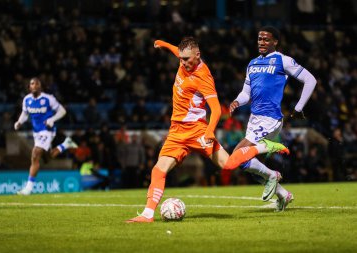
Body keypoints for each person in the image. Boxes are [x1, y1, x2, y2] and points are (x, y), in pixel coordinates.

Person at [126, 37, 287, 223]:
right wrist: (163, 44)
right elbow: (177, 51)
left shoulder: (203, 77)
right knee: (158, 170)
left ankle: (265, 147)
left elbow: (217, 108)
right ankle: (147, 215)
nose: (183, 63)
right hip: (177, 132)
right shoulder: (184, 59)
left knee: (228, 165)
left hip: (197, 131)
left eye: (186, 59)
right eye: (181, 59)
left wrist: (210, 130)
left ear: (198, 55)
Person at [228, 26, 317, 211]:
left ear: (275, 41)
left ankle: (272, 154)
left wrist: (299, 107)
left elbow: (310, 80)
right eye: (259, 39)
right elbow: (246, 93)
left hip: (270, 118)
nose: (262, 42)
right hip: (254, 119)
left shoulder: (282, 60)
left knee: (238, 156)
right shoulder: (252, 64)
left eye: (266, 39)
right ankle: (283, 194)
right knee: (244, 164)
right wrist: (237, 101)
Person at [14, 77, 78, 195]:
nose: (34, 85)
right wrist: (19, 122)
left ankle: (28, 188)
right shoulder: (26, 100)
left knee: (35, 153)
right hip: (36, 133)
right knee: (47, 158)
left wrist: (52, 119)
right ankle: (65, 144)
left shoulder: (48, 99)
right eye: (32, 83)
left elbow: (62, 111)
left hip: (48, 131)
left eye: (37, 83)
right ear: (29, 87)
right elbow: (24, 114)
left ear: (40, 86)